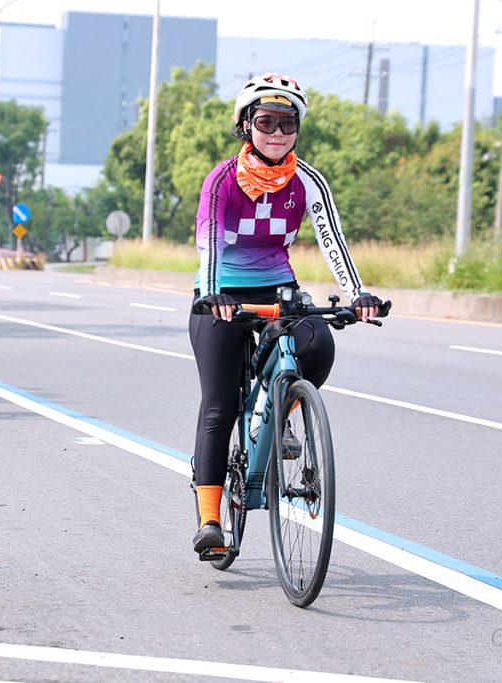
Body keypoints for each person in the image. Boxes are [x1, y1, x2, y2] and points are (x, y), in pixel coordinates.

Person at [189, 73, 381, 553]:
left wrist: (357, 292)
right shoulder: (221, 180)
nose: (277, 133)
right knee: (219, 406)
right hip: (223, 292)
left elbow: (332, 239)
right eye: (266, 122)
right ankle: (210, 522)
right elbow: (208, 242)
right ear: (245, 126)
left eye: (287, 123)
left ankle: (278, 413)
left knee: (318, 343)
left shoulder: (308, 180)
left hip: (279, 286)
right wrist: (213, 294)